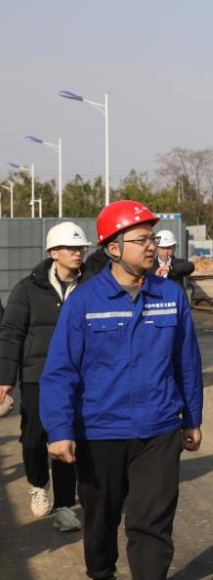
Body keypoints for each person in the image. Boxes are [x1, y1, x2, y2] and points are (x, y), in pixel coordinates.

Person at [40, 200, 204, 580]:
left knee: (152, 524)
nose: (151, 246)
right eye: (141, 239)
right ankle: (101, 572)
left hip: (159, 430)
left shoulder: (171, 297)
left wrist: (192, 419)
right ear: (113, 248)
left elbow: (187, 363)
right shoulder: (84, 302)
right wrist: (59, 430)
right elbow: (61, 370)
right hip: (100, 432)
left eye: (152, 239)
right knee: (100, 521)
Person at [0, 222, 93, 532]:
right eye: (71, 248)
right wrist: (5, 379)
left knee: (66, 436)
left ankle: (65, 505)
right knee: (33, 439)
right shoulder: (27, 289)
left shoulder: (92, 286)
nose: (78, 253)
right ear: (53, 252)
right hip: (37, 376)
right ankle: (39, 486)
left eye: (81, 248)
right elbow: (11, 333)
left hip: (78, 376)